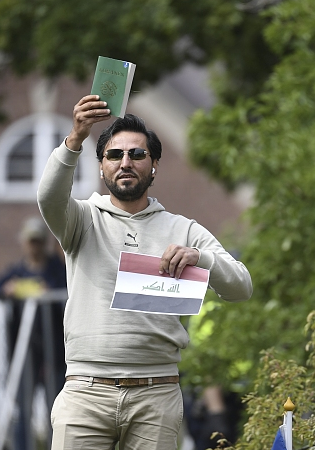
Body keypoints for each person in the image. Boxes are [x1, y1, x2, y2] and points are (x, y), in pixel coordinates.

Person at [38, 95, 253, 450]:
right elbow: (48, 199)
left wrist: (200, 257)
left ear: (154, 166)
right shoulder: (81, 218)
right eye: (114, 154)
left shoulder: (183, 229)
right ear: (102, 165)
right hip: (85, 393)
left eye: (137, 154)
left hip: (157, 394)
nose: (126, 162)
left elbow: (241, 286)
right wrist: (74, 138)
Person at [0, 216, 67, 450]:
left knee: (56, 411)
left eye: (38, 241)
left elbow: (72, 290)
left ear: (45, 242)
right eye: (30, 241)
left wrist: (50, 291)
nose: (34, 246)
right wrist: (5, 290)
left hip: (55, 354)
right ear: (23, 243)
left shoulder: (58, 269)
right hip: (24, 353)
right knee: (22, 410)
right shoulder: (16, 271)